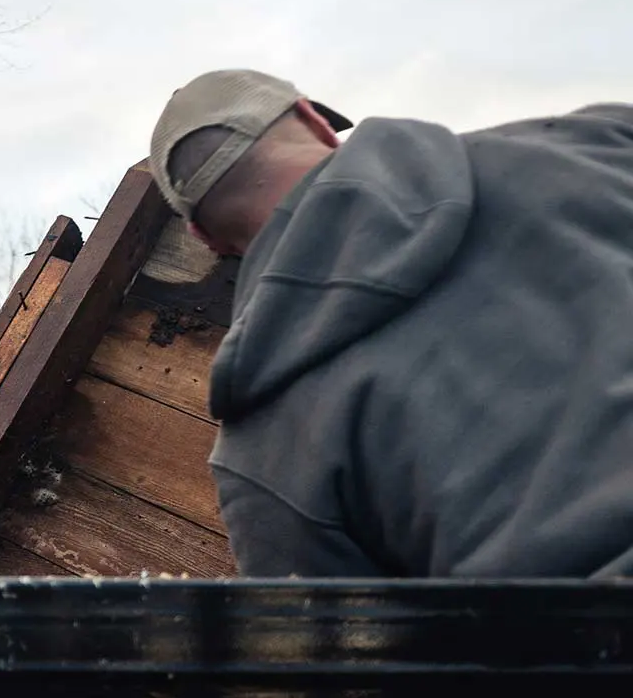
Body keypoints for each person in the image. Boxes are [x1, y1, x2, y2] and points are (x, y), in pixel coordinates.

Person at [148, 68, 633, 577]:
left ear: (207, 237)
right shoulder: (593, 146)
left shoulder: (260, 457)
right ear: (315, 122)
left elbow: (342, 648)